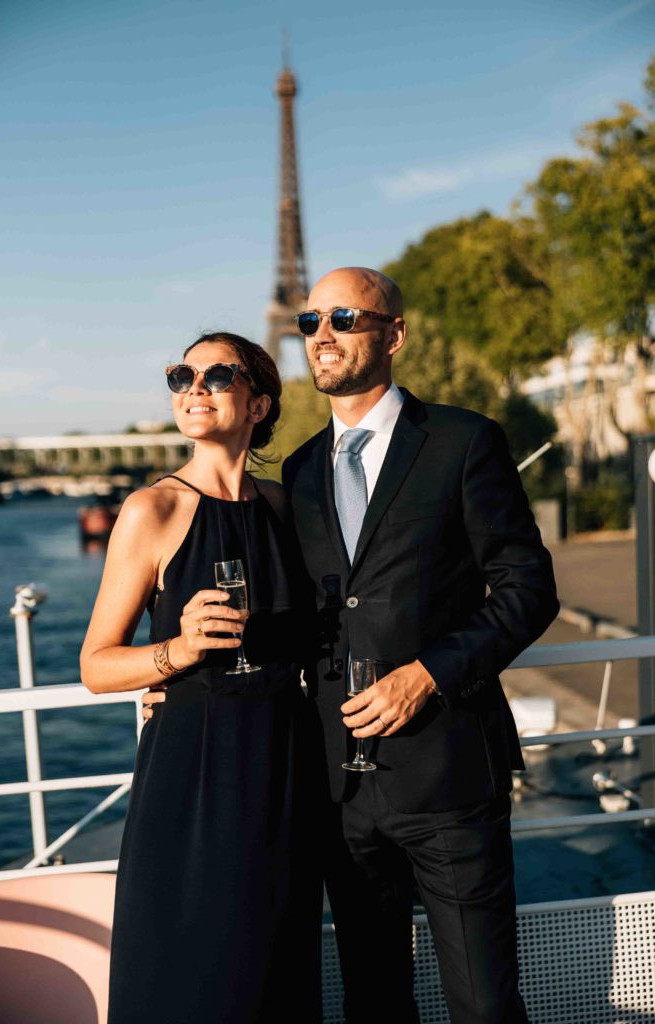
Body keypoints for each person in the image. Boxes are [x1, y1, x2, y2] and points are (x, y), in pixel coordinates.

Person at [144, 268, 559, 1024]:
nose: (322, 335)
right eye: (310, 322)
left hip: (448, 772)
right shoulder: (296, 473)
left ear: (393, 334)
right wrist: (175, 668)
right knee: (371, 1001)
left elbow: (527, 590)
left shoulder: (463, 441)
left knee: (484, 1003)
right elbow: (295, 615)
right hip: (335, 788)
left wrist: (428, 674)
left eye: (344, 318)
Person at [81, 332, 322, 1024]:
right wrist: (177, 652)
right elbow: (96, 665)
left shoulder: (285, 508)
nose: (194, 388)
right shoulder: (151, 510)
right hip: (194, 773)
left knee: (274, 974)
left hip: (283, 763)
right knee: (193, 975)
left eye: (217, 375)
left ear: (259, 404)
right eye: (181, 376)